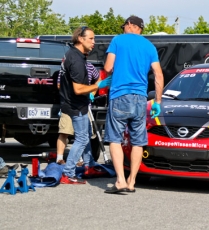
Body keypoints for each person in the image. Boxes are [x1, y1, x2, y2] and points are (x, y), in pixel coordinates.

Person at [103, 16, 164, 194]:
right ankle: (131, 182)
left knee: (114, 139)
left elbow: (107, 67)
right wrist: (157, 102)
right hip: (140, 98)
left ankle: (120, 180)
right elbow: (158, 75)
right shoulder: (149, 46)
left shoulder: (117, 40)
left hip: (119, 95)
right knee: (138, 141)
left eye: (124, 26)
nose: (123, 29)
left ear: (130, 25)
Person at [59, 26, 111, 184]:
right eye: (91, 39)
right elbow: (78, 89)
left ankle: (89, 165)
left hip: (74, 103)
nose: (94, 42)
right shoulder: (76, 60)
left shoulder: (73, 55)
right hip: (76, 105)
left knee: (86, 134)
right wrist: (98, 85)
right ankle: (68, 173)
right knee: (81, 138)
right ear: (80, 39)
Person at [56, 60, 101, 166]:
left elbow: (99, 78)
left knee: (83, 135)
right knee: (64, 132)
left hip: (85, 106)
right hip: (68, 106)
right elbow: (59, 84)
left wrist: (93, 92)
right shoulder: (66, 67)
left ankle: (81, 160)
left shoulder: (89, 66)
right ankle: (59, 159)